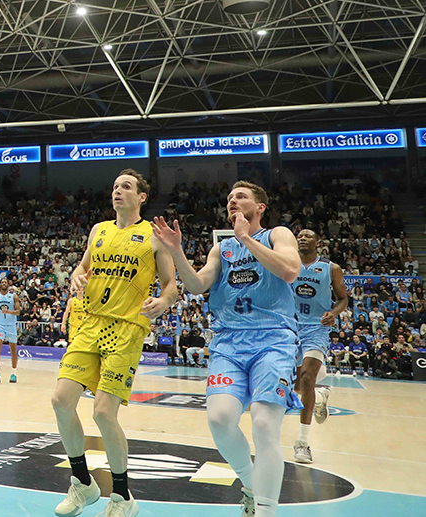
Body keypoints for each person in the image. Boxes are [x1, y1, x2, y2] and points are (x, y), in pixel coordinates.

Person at [152, 181, 301, 517]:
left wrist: (247, 238)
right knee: (220, 420)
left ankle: (266, 511)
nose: (233, 201)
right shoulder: (222, 250)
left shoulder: (278, 234)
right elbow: (196, 285)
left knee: (263, 424)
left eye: (242, 197)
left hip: (273, 340)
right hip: (229, 343)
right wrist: (176, 251)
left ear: (260, 207)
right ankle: (250, 483)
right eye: (230, 198)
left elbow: (291, 270)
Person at [52, 170, 177, 517]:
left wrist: (163, 302)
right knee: (61, 401)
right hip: (89, 323)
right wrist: (78, 274)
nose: (118, 192)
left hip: (126, 330)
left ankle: (122, 496)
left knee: (104, 413)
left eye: (126, 187)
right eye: (115, 187)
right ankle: (82, 484)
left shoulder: (153, 236)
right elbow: (82, 266)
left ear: (142, 197)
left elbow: (171, 286)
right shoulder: (99, 230)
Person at [290, 229, 348, 464]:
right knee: (288, 384)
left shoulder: (331, 268)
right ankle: (319, 395)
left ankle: (302, 443)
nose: (302, 238)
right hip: (289, 327)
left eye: (307, 235)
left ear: (318, 242)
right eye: (299, 235)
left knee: (306, 377)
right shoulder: (287, 263)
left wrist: (333, 313)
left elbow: (343, 298)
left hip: (317, 328)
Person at [0, 278, 20, 384]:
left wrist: (9, 311)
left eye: (5, 282)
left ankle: (13, 373)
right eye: (2, 282)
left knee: (13, 350)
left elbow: (18, 311)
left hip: (11, 325)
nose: (4, 283)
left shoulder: (13, 296)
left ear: (8, 285)